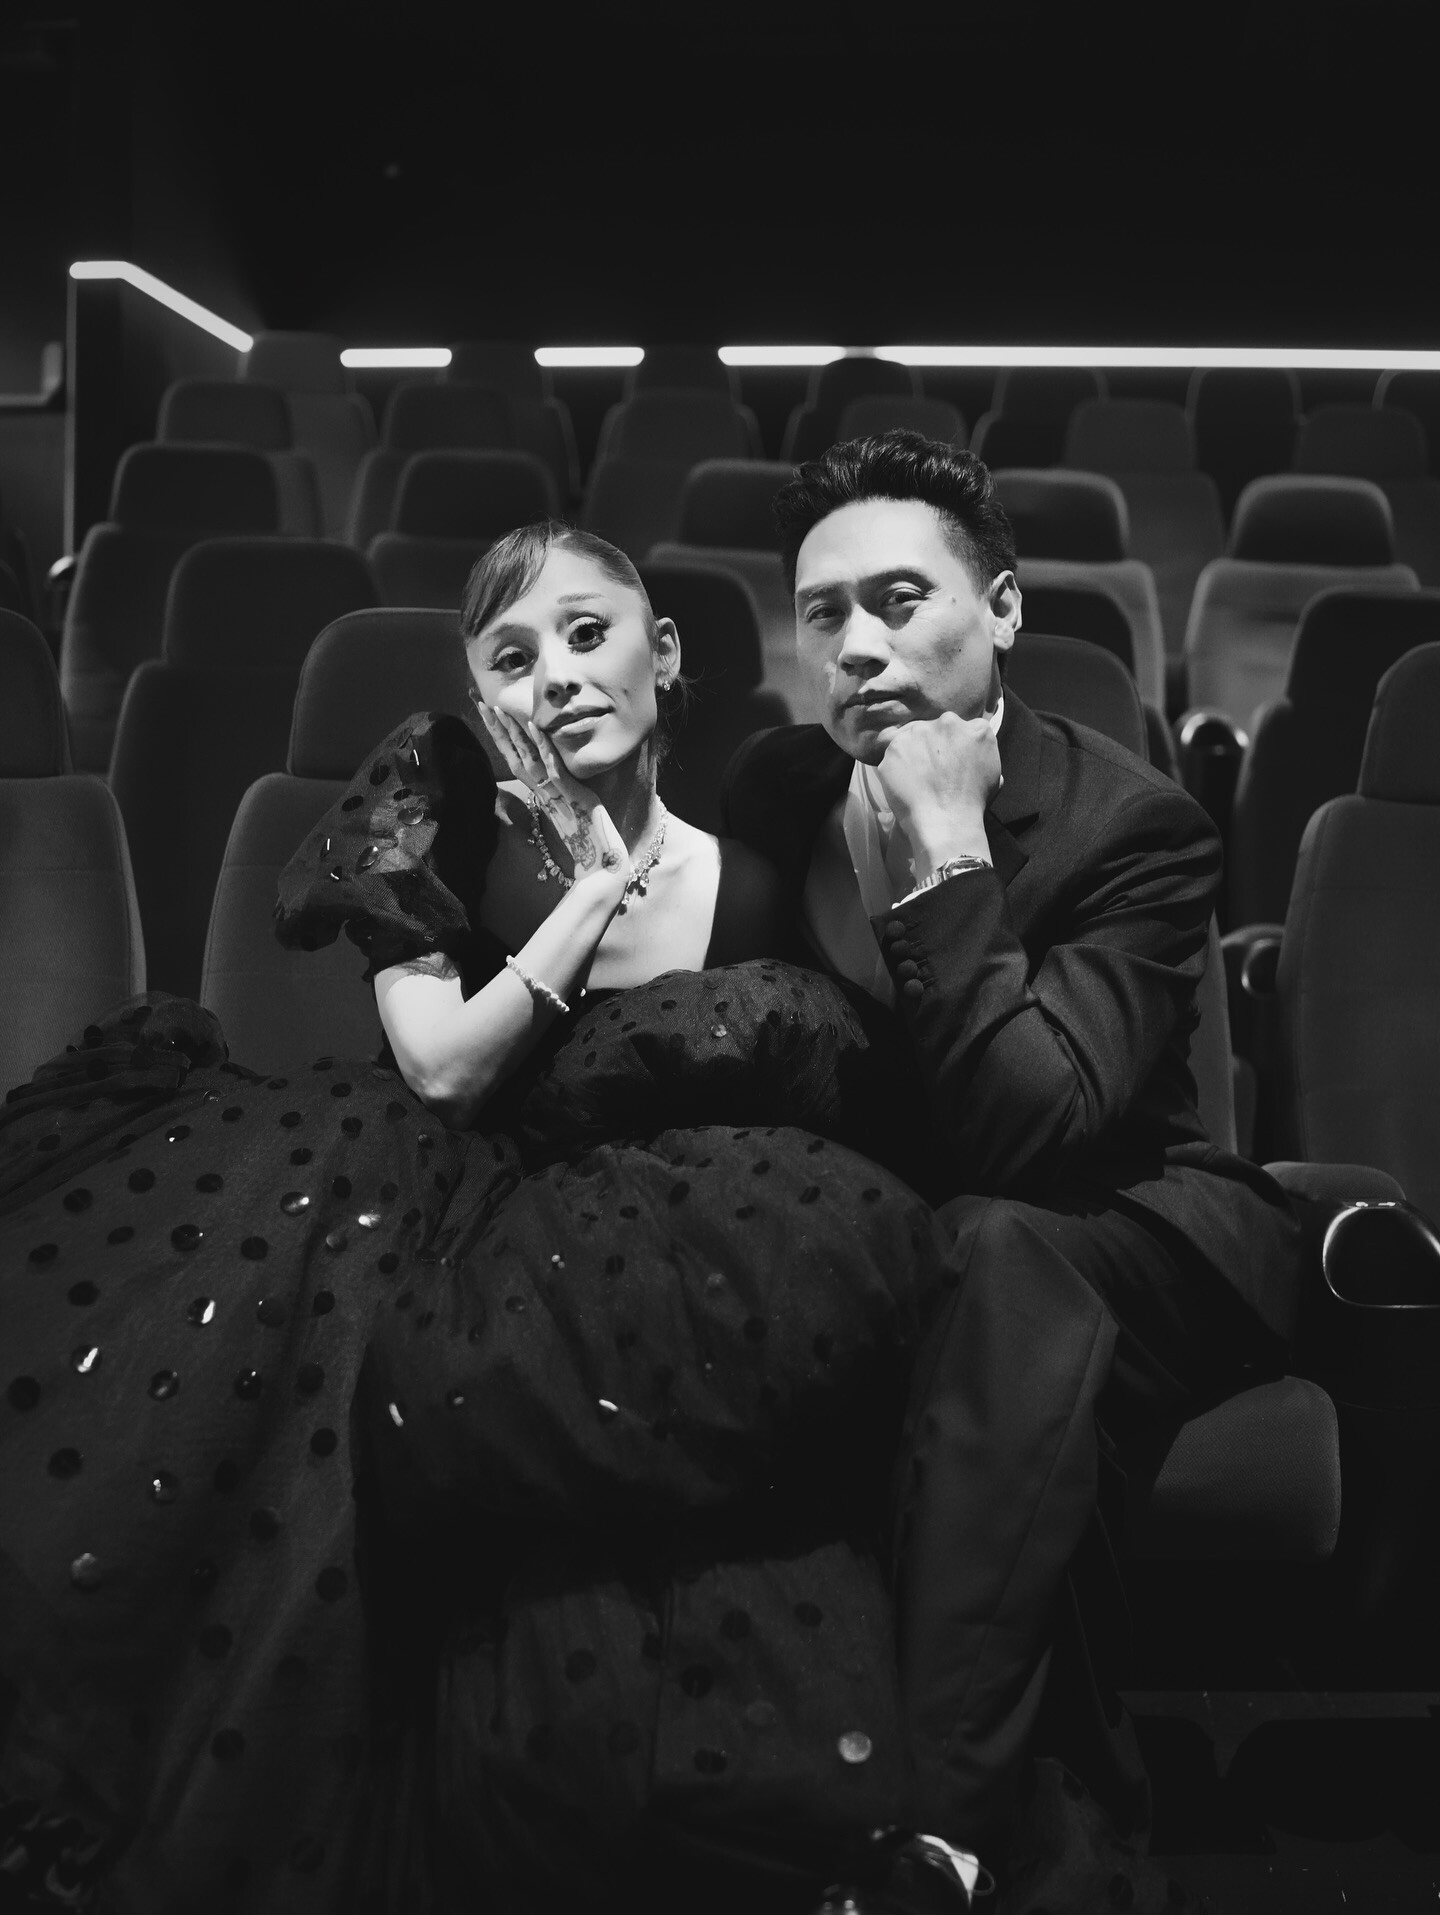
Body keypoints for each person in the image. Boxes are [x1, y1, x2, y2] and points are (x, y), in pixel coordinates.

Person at [0, 523, 976, 1915]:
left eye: (588, 634)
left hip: (629, 1245)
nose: (556, 677)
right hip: (418, 1193)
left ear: (663, 654)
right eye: (512, 658)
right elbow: (446, 1071)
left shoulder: (753, 880)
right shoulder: (435, 802)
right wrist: (589, 897)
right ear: (478, 696)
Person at [721, 432, 1303, 1908]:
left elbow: (1026, 1135)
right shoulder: (779, 793)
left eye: (900, 598)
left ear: (1003, 608)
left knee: (993, 1248)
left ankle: (941, 1822)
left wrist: (948, 857)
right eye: (823, 613)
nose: (857, 645)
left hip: (1131, 1229)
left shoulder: (1131, 825)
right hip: (917, 1248)